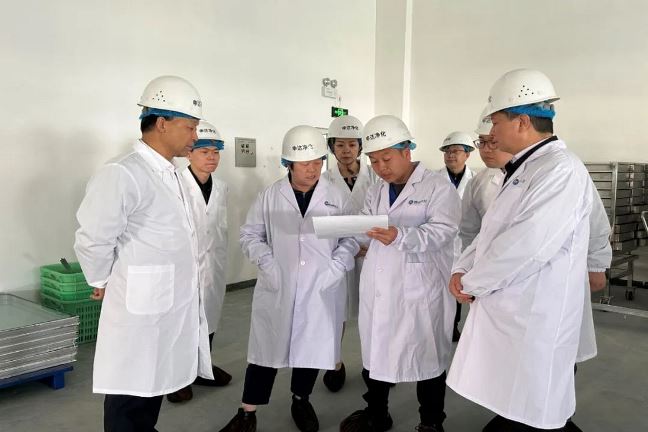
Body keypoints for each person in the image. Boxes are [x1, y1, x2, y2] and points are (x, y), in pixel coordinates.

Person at [447, 69, 595, 431]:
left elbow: (527, 246)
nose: (492, 133)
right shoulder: (525, 168)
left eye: (496, 122)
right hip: (513, 307)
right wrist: (462, 268)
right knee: (519, 398)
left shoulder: (561, 170)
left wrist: (472, 282)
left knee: (538, 406)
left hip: (535, 311)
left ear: (522, 121)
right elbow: (492, 231)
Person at [74, 75, 213, 432]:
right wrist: (100, 279)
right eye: (190, 127)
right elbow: (93, 238)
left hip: (167, 305)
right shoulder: (123, 173)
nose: (195, 136)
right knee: (129, 396)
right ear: (162, 123)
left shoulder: (174, 174)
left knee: (152, 389)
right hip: (139, 310)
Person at [219, 125, 359, 432]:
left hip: (321, 286)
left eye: (318, 162)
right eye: (305, 163)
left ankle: (301, 399)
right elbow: (250, 234)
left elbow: (350, 238)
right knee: (265, 351)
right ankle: (247, 412)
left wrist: (337, 266)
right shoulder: (270, 195)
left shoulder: (336, 196)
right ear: (289, 164)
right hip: (278, 285)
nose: (313, 169)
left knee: (310, 349)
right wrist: (267, 262)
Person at [340, 115, 460, 432]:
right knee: (376, 352)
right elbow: (367, 226)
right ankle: (377, 414)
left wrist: (400, 236)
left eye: (386, 158)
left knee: (427, 358)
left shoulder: (437, 187)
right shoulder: (376, 190)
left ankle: (431, 422)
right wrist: (349, 236)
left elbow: (444, 231)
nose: (380, 167)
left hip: (420, 288)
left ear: (406, 151)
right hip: (380, 285)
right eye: (374, 160)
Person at [166, 120, 232, 403]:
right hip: (184, 267)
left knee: (210, 316)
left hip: (213, 265)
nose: (211, 158)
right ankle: (176, 378)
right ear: (189, 153)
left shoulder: (222, 187)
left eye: (216, 152)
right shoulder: (174, 184)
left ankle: (202, 368)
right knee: (182, 322)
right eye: (205, 151)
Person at [320, 115, 379, 392]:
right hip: (339, 255)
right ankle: (334, 363)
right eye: (340, 145)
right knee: (336, 312)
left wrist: (369, 243)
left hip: (372, 253)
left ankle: (377, 365)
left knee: (375, 311)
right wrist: (348, 244)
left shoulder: (376, 177)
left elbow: (385, 213)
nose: (346, 151)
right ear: (332, 147)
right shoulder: (323, 181)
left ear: (360, 147)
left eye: (352, 145)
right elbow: (321, 220)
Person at [438, 131, 476, 342]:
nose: (450, 155)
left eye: (455, 151)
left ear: (467, 154)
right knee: (437, 289)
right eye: (447, 151)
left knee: (458, 286)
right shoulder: (433, 179)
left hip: (463, 244)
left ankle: (453, 326)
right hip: (438, 242)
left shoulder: (476, 180)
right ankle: (440, 326)